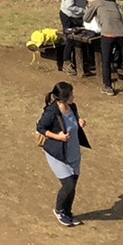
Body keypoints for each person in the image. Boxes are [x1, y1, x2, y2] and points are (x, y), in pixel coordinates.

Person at [36, 81, 90, 226]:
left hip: (73, 153)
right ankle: (59, 210)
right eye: (71, 94)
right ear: (64, 97)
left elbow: (73, 119)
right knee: (68, 185)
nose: (73, 96)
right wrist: (57, 137)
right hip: (58, 154)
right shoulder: (52, 112)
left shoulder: (72, 107)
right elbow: (40, 127)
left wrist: (79, 121)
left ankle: (68, 212)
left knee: (73, 185)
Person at [59, 0, 98, 77]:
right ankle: (66, 62)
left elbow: (83, 1)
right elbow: (69, 6)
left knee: (86, 36)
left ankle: (85, 62)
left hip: (79, 16)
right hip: (68, 15)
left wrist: (88, 6)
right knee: (70, 39)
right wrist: (85, 11)